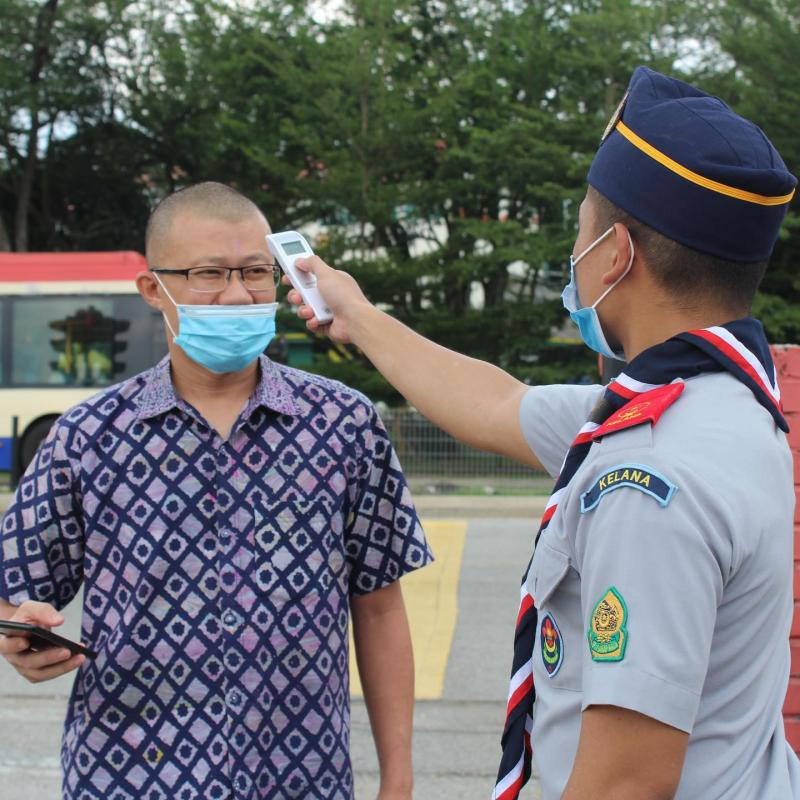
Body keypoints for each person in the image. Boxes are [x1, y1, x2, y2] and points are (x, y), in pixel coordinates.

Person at [285, 67, 800, 799]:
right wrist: (358, 316)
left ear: (616, 255)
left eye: (582, 229)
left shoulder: (652, 476)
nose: (575, 251)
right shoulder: (713, 404)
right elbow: (498, 403)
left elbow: (625, 783)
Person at [0, 182, 432, 800]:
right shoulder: (86, 438)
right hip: (127, 779)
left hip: (299, 781)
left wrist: (399, 779)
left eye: (254, 272)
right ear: (155, 289)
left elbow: (382, 608)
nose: (236, 294)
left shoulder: (345, 424)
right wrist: (20, 633)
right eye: (208, 274)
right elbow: (14, 592)